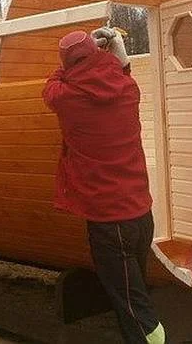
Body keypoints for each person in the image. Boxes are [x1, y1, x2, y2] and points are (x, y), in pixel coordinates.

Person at [42, 28, 165, 344]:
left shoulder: (67, 98)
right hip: (141, 216)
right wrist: (113, 51)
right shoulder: (128, 91)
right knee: (135, 297)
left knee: (136, 313)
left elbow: (50, 86)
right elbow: (122, 72)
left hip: (109, 225)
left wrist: (71, 61)